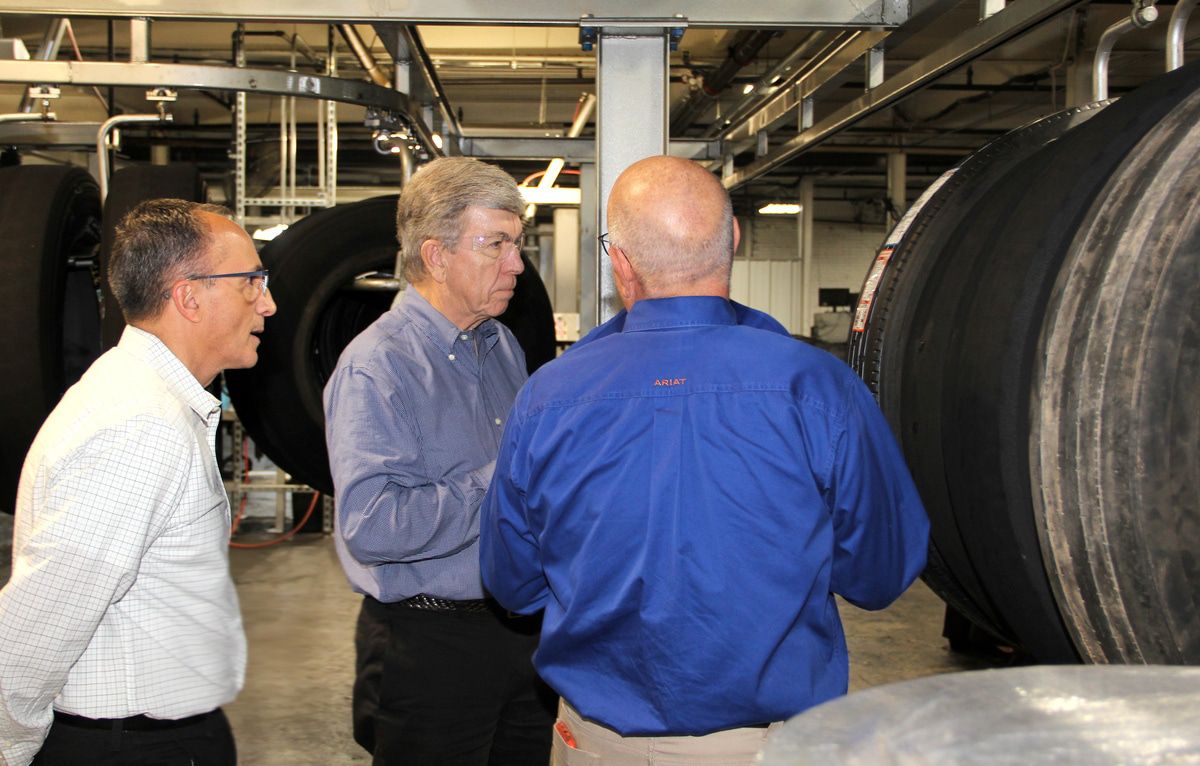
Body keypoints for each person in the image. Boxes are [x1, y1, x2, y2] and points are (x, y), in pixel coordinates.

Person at [479, 155, 931, 764]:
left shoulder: (548, 397)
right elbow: (879, 574)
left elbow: (514, 582)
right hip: (764, 745)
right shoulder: (817, 389)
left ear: (620, 261)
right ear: (735, 238)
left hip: (593, 742)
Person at [0, 199, 277, 765]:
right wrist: (12, 750)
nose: (268, 303)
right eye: (251, 281)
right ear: (188, 296)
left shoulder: (149, 400)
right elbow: (39, 622)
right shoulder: (139, 425)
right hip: (127, 747)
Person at [323, 156, 557, 765]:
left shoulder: (499, 344)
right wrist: (507, 479)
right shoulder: (378, 366)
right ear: (436, 255)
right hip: (429, 645)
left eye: (518, 243)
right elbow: (374, 525)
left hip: (519, 629)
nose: (516, 264)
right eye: (496, 244)